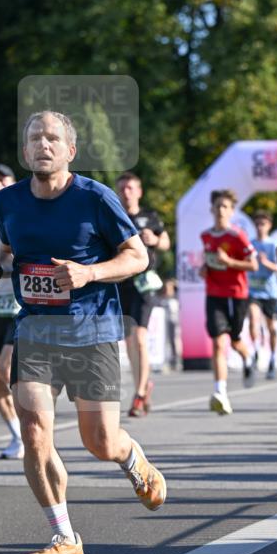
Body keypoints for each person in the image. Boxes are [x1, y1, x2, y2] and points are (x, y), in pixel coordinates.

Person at [0, 111, 166, 554]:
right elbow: (10, 253)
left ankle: (133, 460)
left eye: (52, 138)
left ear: (70, 151)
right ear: (25, 151)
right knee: (35, 433)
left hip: (93, 332)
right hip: (36, 330)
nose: (42, 145)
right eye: (33, 138)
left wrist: (89, 272)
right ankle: (64, 536)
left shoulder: (95, 198)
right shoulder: (7, 204)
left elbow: (137, 256)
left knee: (100, 441)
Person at [115, 172, 170, 417]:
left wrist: (155, 239)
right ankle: (144, 385)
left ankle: (138, 395)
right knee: (129, 342)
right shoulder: (114, 216)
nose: (126, 192)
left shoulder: (150, 217)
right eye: (122, 188)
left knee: (139, 337)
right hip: (122, 283)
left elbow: (166, 242)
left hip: (144, 284)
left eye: (130, 188)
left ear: (139, 191)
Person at [200, 189, 258, 415]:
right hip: (214, 293)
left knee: (234, 341)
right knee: (217, 342)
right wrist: (204, 269)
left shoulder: (238, 236)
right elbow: (209, 262)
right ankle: (220, 392)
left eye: (225, 207)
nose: (220, 211)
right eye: (217, 207)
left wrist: (229, 262)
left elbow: (253, 265)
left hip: (237, 294)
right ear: (212, 210)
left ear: (232, 211)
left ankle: (248, 357)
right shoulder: (205, 236)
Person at [0, 164, 24, 459]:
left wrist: (1, 268)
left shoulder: (21, 217)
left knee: (5, 369)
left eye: (2, 179)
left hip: (19, 304)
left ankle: (33, 426)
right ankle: (17, 435)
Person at [247, 210, 277, 380]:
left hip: (270, 292)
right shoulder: (250, 244)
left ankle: (273, 358)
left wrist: (266, 262)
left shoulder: (273, 245)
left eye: (263, 224)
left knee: (271, 327)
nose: (260, 227)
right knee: (253, 319)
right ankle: (255, 352)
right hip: (253, 290)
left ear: (269, 226)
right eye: (258, 224)